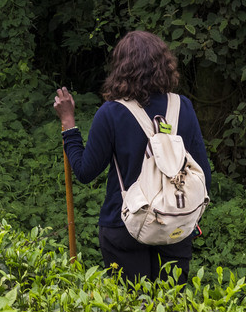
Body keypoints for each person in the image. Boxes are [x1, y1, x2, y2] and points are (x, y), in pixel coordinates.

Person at [55, 30, 213, 284]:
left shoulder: (111, 113)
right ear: (164, 65)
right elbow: (204, 175)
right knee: (171, 306)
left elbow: (85, 172)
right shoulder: (183, 106)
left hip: (124, 227)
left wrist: (68, 121)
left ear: (120, 68)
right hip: (175, 224)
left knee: (131, 304)